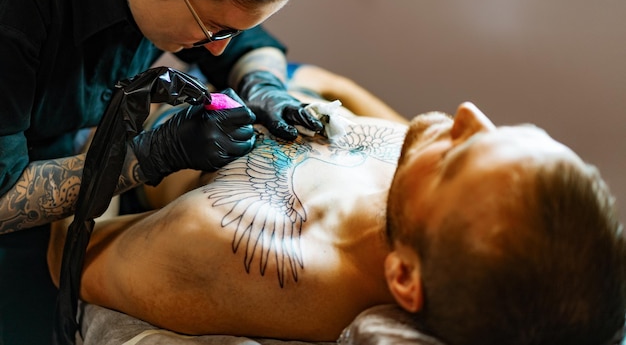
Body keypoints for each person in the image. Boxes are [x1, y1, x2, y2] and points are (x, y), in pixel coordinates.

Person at [47, 97, 626, 345]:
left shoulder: (228, 244)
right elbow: (333, 85)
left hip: (100, 123)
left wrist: (126, 153)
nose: (470, 113)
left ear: (405, 279)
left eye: (459, 155)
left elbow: (67, 259)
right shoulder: (428, 178)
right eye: (501, 132)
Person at [0, 0, 323, 343]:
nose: (218, 50)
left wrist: (264, 86)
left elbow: (249, 46)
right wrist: (150, 156)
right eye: (214, 29)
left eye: (233, 31)